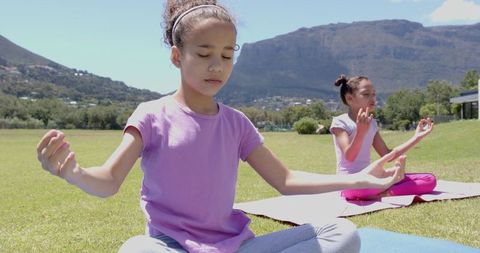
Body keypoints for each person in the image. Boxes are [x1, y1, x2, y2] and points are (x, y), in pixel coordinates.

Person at [36, 2, 406, 252]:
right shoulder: (151, 115)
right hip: (171, 246)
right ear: (177, 56)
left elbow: (286, 180)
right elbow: (108, 180)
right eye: (205, 54)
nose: (218, 66)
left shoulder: (236, 123)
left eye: (228, 55)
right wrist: (74, 173)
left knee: (342, 233)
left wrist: (362, 179)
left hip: (235, 246)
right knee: (135, 249)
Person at [330, 75, 437, 200]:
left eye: (374, 94)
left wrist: (416, 137)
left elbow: (386, 154)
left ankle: (383, 192)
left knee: (429, 180)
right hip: (350, 183)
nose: (372, 98)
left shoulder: (372, 123)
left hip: (370, 176)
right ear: (349, 98)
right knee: (356, 188)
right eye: (366, 94)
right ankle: (386, 188)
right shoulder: (340, 123)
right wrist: (360, 132)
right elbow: (350, 156)